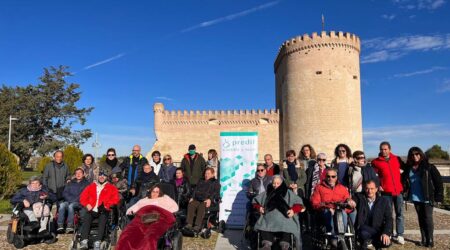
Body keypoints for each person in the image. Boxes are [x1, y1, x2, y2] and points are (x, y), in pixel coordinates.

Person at [402, 146, 443, 247]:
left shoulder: (429, 167)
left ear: (421, 154)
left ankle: (430, 240)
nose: (415, 156)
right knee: (420, 218)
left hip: (427, 197)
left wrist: (439, 197)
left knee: (428, 218)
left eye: (417, 154)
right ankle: (423, 239)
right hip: (415, 197)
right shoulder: (409, 168)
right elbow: (402, 179)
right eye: (412, 155)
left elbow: (438, 182)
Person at [117, 185, 178, 250]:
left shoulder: (165, 198)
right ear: (150, 192)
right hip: (143, 218)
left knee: (151, 236)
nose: (154, 193)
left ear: (160, 193)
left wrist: (164, 212)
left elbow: (175, 207)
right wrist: (131, 212)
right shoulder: (144, 200)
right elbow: (132, 209)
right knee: (127, 235)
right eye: (153, 191)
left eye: (157, 192)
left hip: (159, 218)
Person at [252, 175, 304, 250]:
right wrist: (259, 207)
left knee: (288, 226)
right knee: (264, 225)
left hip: (285, 219)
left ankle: (285, 245)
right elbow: (255, 202)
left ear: (282, 183)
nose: (275, 185)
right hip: (268, 219)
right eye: (274, 183)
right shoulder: (267, 193)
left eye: (278, 183)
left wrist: (293, 210)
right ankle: (266, 245)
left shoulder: (288, 192)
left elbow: (299, 204)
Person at [311, 168, 356, 247]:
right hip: (325, 210)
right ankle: (333, 237)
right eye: (328, 176)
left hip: (340, 209)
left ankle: (342, 235)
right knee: (329, 213)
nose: (330, 178)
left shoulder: (342, 188)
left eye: (333, 176)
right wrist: (326, 207)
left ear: (336, 177)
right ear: (325, 177)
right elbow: (315, 203)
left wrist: (349, 200)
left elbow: (347, 198)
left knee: (347, 212)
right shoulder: (319, 187)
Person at [371, 141, 405, 245]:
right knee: (388, 215)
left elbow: (406, 170)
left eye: (385, 149)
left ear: (390, 149)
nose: (383, 151)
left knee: (400, 214)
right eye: (381, 149)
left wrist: (403, 183)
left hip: (398, 191)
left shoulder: (397, 159)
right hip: (386, 192)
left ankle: (400, 234)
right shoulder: (375, 162)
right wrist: (378, 185)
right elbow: (373, 176)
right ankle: (388, 232)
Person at [79, 171, 120, 250]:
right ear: (97, 177)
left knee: (103, 219)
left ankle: (98, 241)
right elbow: (82, 197)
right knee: (87, 217)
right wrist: (87, 204)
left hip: (103, 209)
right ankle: (84, 240)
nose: (101, 177)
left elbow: (115, 200)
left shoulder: (111, 187)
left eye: (104, 175)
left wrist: (106, 205)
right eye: (100, 175)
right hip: (92, 209)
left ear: (106, 177)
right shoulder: (91, 186)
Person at [354, 180, 392, 250]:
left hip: (377, 230)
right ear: (364, 188)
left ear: (376, 189)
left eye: (372, 189)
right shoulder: (360, 198)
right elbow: (353, 200)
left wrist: (386, 233)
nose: (369, 191)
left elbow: (389, 219)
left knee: (386, 242)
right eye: (367, 188)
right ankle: (367, 242)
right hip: (363, 229)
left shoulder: (383, 201)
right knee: (363, 233)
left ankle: (373, 243)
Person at [185, 167, 220, 232]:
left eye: (208, 173)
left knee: (202, 206)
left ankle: (197, 225)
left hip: (207, 201)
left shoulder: (215, 182)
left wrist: (210, 199)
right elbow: (195, 190)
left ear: (213, 174)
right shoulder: (201, 181)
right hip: (198, 199)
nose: (206, 175)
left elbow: (216, 193)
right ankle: (189, 224)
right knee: (191, 204)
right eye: (206, 173)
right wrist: (192, 197)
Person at [57, 168, 90, 233]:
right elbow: (65, 193)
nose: (78, 174)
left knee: (71, 206)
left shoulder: (87, 183)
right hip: (69, 201)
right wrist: (70, 199)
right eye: (76, 173)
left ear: (83, 174)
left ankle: (70, 226)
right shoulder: (70, 183)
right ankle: (60, 225)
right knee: (62, 205)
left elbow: (84, 195)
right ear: (74, 175)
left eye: (80, 173)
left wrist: (73, 200)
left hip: (79, 202)